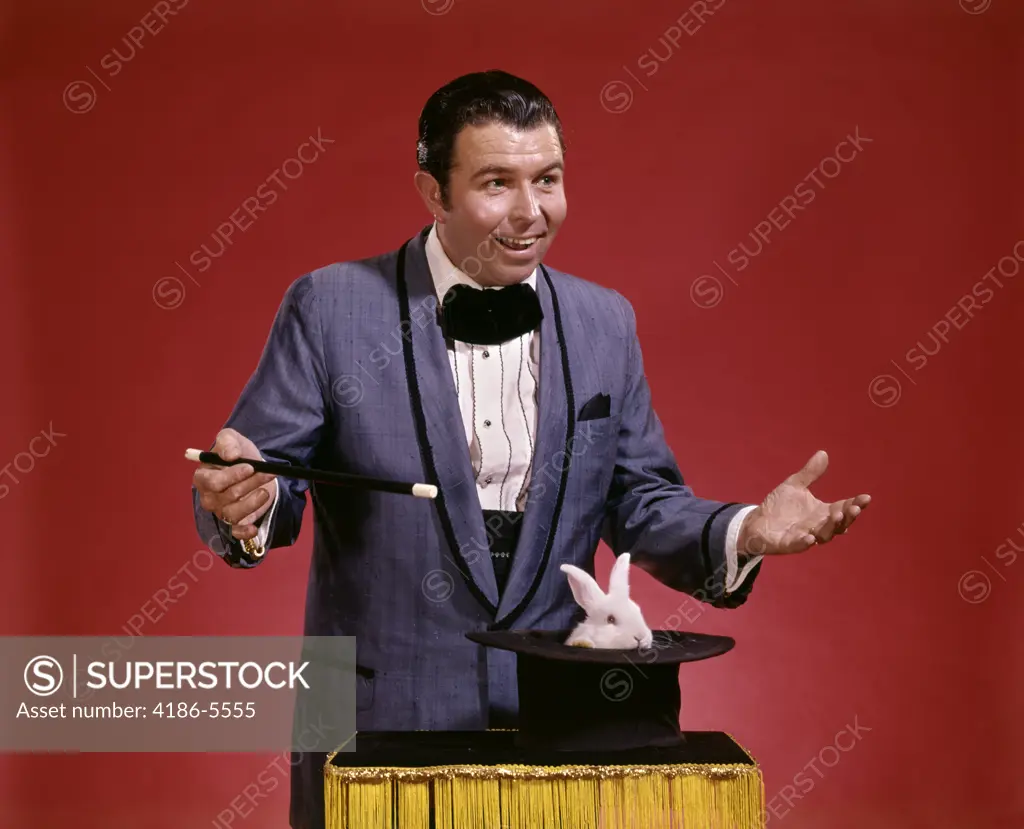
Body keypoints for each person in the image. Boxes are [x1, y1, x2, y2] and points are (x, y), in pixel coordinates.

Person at [190, 69, 870, 829]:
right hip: (375, 728)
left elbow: (636, 497)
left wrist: (745, 530)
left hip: (566, 731)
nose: (529, 211)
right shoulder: (330, 305)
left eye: (547, 179)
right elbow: (259, 475)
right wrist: (242, 506)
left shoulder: (605, 320)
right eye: (495, 182)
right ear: (432, 192)